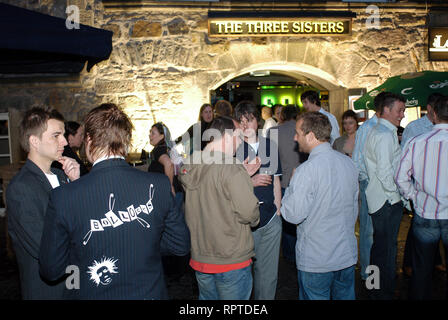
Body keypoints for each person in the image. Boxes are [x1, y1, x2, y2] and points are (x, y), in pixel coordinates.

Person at [39, 103, 190, 299]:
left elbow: (51, 269)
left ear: (90, 141)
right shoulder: (159, 185)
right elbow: (180, 244)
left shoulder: (64, 196)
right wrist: (142, 242)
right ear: (126, 142)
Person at [178, 116, 260, 300]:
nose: (240, 145)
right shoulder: (230, 168)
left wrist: (241, 176)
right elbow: (249, 213)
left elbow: (210, 192)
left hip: (201, 257)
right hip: (230, 259)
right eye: (239, 138)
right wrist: (241, 179)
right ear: (227, 136)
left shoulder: (190, 163)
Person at [281, 112, 359, 300]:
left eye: (297, 133)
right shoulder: (349, 163)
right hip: (346, 254)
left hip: (317, 258)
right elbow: (354, 207)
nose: (295, 137)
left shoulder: (305, 171)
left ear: (310, 136)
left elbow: (293, 215)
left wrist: (291, 187)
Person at [6, 107, 80, 300]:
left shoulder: (62, 176)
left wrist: (77, 185)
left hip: (74, 285)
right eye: (56, 135)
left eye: (63, 135)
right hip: (49, 292)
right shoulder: (21, 188)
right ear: (34, 141)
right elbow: (48, 251)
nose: (64, 141)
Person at [395, 95, 448, 300]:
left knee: (422, 269)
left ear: (433, 114)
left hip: (425, 211)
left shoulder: (417, 142)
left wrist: (413, 197)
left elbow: (400, 177)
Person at [234, 101, 282, 300]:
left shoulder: (269, 145)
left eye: (250, 120)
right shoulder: (233, 148)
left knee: (268, 276)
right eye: (242, 121)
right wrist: (250, 181)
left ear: (258, 121)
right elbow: (227, 186)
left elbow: (277, 180)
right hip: (243, 222)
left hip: (270, 219)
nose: (246, 126)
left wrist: (278, 211)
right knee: (241, 274)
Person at [364, 92, 406, 300]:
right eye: (399, 110)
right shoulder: (383, 134)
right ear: (387, 110)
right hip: (385, 201)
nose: (402, 115)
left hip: (379, 199)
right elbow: (384, 172)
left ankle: (375, 289)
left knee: (379, 250)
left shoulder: (379, 131)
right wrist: (395, 197)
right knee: (386, 252)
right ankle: (383, 293)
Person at [351, 92, 385, 281]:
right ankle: (369, 274)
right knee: (368, 231)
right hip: (370, 184)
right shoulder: (368, 129)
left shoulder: (386, 129)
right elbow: (358, 161)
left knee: (379, 232)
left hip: (382, 185)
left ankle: (378, 272)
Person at [148, 122, 187, 280]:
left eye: (153, 133)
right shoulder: (166, 148)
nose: (150, 136)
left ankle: (173, 267)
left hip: (171, 194)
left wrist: (169, 185)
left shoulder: (158, 150)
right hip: (176, 193)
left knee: (168, 229)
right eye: (150, 133)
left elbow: (169, 164)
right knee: (174, 226)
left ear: (162, 136)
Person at [267, 105, 301, 264]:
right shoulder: (303, 131)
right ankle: (300, 250)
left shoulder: (273, 132)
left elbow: (270, 160)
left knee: (286, 218)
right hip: (302, 179)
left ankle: (289, 254)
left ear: (282, 116)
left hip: (282, 180)